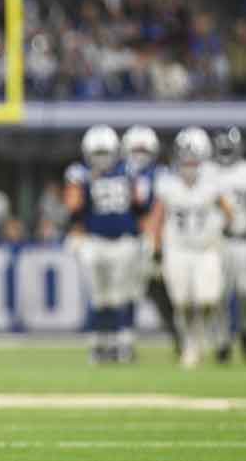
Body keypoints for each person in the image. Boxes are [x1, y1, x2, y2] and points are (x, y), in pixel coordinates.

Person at [146, 127, 233, 369]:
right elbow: (157, 217)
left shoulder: (212, 183)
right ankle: (188, 343)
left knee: (208, 299)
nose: (189, 163)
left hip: (206, 248)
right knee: (182, 302)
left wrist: (221, 230)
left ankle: (198, 340)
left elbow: (229, 213)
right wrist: (155, 248)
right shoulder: (167, 184)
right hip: (178, 248)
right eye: (186, 157)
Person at [65, 125, 146, 363]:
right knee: (100, 297)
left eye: (105, 153)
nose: (101, 160)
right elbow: (73, 206)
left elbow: (140, 204)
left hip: (124, 241)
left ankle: (124, 344)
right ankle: (99, 345)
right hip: (95, 241)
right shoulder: (80, 174)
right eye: (97, 154)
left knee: (123, 295)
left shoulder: (128, 171)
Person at [122, 125, 180, 358]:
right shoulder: (119, 173)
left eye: (143, 149)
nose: (139, 154)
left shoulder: (162, 175)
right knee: (125, 294)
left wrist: (155, 236)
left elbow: (166, 208)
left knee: (163, 292)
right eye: (135, 149)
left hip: (155, 241)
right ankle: (125, 341)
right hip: (127, 240)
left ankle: (179, 337)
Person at [211, 127, 246, 363]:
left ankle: (245, 330)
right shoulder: (209, 173)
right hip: (219, 242)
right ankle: (223, 342)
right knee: (219, 296)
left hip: (245, 241)